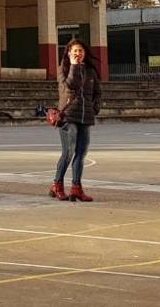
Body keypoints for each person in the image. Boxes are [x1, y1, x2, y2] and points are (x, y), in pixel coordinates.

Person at [50, 38, 102, 202]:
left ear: (85, 53)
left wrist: (94, 108)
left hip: (86, 117)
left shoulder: (90, 71)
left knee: (81, 153)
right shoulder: (63, 69)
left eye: (80, 51)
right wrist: (73, 66)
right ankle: (57, 185)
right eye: (75, 51)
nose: (78, 54)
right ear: (69, 53)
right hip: (69, 116)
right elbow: (69, 86)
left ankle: (76, 188)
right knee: (68, 152)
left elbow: (97, 92)